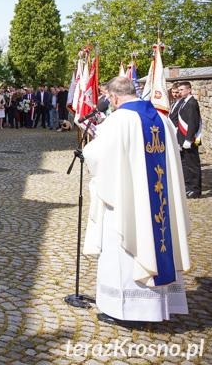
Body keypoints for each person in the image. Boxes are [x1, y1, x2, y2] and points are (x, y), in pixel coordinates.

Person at [82, 76, 191, 326]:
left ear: (114, 97)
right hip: (158, 197)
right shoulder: (162, 119)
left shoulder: (118, 121)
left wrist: (86, 151)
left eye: (108, 98)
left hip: (128, 200)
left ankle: (127, 311)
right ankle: (160, 305)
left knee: (123, 248)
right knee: (158, 240)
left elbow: (98, 155)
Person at [172, 81, 202, 198]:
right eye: (178, 90)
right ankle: (188, 186)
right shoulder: (184, 102)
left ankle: (196, 189)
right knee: (185, 164)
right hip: (182, 138)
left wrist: (189, 139)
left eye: (182, 90)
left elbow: (193, 122)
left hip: (189, 139)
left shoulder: (192, 103)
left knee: (193, 165)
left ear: (189, 89)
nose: (179, 92)